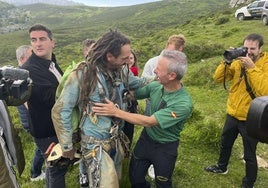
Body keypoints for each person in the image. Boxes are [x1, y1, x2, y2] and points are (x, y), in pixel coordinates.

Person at [52, 29, 152, 187]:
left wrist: (160, 78)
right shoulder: (83, 74)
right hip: (94, 144)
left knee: (115, 179)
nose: (128, 61)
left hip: (117, 138)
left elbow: (136, 83)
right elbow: (61, 110)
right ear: (110, 56)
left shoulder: (122, 70)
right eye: (124, 57)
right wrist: (66, 146)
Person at [92, 50, 193, 188]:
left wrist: (116, 111)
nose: (155, 70)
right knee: (136, 177)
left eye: (159, 68)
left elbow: (149, 121)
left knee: (163, 182)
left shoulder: (183, 104)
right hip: (146, 140)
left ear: (172, 75)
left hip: (165, 147)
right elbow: (133, 95)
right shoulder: (156, 86)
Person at [204, 33, 268, 188]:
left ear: (261, 49)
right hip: (233, 113)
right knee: (226, 143)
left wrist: (252, 68)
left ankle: (249, 183)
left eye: (253, 48)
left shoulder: (265, 64)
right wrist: (226, 61)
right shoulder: (238, 62)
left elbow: (264, 92)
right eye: (247, 48)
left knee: (249, 154)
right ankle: (222, 167)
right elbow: (218, 78)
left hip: (252, 117)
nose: (249, 52)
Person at [21, 24, 67, 188]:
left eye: (42, 39)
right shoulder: (30, 70)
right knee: (58, 168)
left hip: (52, 126)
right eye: (34, 40)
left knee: (52, 166)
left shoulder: (50, 63)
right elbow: (53, 98)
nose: (38, 44)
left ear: (52, 42)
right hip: (46, 130)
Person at [16, 45, 46, 182]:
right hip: (31, 120)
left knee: (40, 146)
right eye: (30, 55)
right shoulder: (21, 76)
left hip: (30, 119)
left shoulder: (20, 74)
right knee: (41, 148)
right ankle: (35, 173)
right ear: (22, 58)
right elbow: (28, 103)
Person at [79, 38, 95, 188]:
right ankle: (83, 173)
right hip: (83, 117)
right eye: (90, 51)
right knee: (85, 150)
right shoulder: (81, 71)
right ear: (84, 52)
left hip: (94, 118)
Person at [122, 50, 139, 148]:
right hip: (124, 102)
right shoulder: (125, 71)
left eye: (131, 58)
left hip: (131, 103)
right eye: (127, 58)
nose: (129, 60)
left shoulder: (134, 71)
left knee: (129, 126)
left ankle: (126, 148)